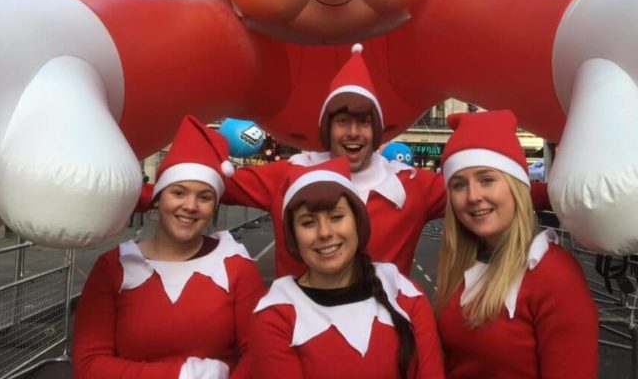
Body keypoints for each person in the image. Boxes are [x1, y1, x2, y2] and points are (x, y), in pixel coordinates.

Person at [222, 44, 447, 277]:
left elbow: (479, 193)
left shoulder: (414, 184)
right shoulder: (286, 174)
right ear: (327, 128)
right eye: (342, 122)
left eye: (364, 122)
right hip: (296, 312)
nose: (353, 132)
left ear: (377, 130)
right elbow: (205, 182)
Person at [72, 116, 265, 379]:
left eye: (205, 197)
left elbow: (260, 356)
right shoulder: (113, 268)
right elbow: (89, 366)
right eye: (179, 192)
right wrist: (183, 375)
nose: (190, 206)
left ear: (215, 206)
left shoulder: (236, 266)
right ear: (159, 198)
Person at [434, 110, 598, 379]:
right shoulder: (459, 265)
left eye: (487, 179)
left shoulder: (556, 275)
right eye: (459, 185)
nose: (473, 196)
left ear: (517, 187)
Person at [249, 157, 444, 378]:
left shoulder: (405, 294)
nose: (324, 233)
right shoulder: (276, 313)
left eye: (336, 217)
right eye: (308, 222)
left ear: (357, 223)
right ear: (293, 237)